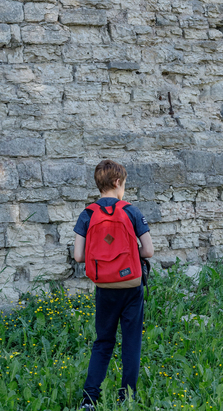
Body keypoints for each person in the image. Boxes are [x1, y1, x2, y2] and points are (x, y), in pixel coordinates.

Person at [73, 160, 154, 409]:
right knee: (131, 342)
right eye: (124, 184)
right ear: (117, 182)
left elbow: (78, 256)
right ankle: (126, 397)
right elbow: (149, 251)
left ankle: (89, 399)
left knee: (103, 342)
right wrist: (127, 255)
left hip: (105, 287)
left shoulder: (87, 214)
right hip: (131, 286)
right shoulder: (131, 211)